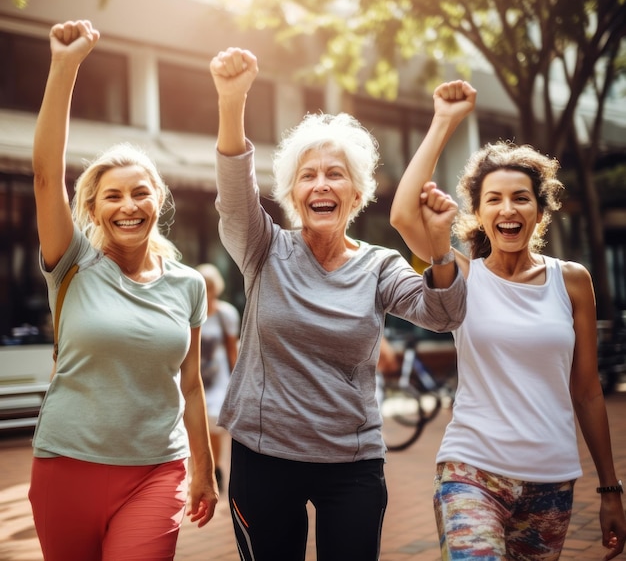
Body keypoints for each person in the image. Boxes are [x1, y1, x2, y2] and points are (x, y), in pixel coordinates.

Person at [208, 46, 467, 561]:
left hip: (351, 462)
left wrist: (440, 247)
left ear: (355, 193)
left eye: (335, 174)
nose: (321, 184)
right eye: (308, 175)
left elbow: (442, 314)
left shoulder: (379, 265)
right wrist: (232, 99)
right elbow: (236, 194)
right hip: (263, 455)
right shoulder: (265, 248)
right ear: (292, 192)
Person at [390, 80, 626, 560]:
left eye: (521, 197)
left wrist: (609, 488)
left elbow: (586, 390)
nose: (508, 208)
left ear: (540, 211)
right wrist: (443, 121)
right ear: (477, 213)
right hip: (470, 471)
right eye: (493, 199)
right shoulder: (460, 275)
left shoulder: (573, 281)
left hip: (551, 480)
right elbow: (401, 214)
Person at [29, 20, 218, 561]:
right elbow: (46, 175)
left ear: (158, 198)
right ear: (93, 209)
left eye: (140, 192)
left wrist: (202, 468)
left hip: (156, 472)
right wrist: (64, 66)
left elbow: (191, 383)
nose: (128, 205)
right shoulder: (71, 265)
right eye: (112, 196)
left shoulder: (187, 285)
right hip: (66, 466)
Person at [196, 263, 240, 490]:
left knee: (213, 423)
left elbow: (232, 349)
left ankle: (215, 469)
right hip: (196, 377)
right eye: (203, 286)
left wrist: (236, 380)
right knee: (196, 422)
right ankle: (203, 469)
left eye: (210, 286)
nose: (207, 290)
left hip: (219, 378)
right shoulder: (190, 311)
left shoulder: (226, 314)